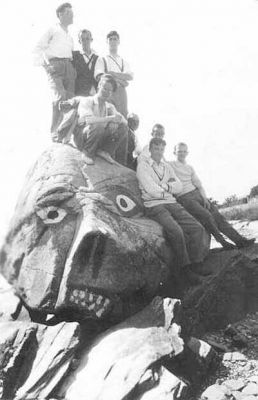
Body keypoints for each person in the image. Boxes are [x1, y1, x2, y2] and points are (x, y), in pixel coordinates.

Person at [136, 138, 210, 288]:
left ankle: (196, 264)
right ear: (150, 150)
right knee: (176, 231)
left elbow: (179, 186)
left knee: (197, 228)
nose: (159, 152)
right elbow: (150, 189)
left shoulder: (166, 166)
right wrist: (167, 189)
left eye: (161, 149)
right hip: (154, 205)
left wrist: (164, 188)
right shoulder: (143, 166)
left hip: (171, 202)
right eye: (156, 149)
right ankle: (185, 271)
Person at [171, 142, 255, 249]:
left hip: (197, 194)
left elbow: (199, 186)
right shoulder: (170, 165)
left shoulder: (189, 167)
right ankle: (223, 242)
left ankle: (240, 241)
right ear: (174, 152)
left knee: (218, 217)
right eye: (179, 151)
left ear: (187, 153)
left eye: (184, 151)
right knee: (207, 216)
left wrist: (205, 199)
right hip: (184, 197)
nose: (182, 154)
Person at [59, 74, 128, 165]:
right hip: (83, 137)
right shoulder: (87, 101)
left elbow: (124, 122)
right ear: (99, 86)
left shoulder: (109, 106)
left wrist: (115, 121)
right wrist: (110, 118)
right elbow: (89, 120)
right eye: (104, 88)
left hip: (97, 138)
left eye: (110, 91)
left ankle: (104, 151)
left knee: (122, 127)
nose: (106, 92)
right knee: (97, 125)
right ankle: (87, 153)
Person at [33, 3, 76, 141]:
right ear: (60, 15)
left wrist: (72, 70)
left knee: (70, 101)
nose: (72, 15)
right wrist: (46, 66)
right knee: (60, 97)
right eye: (68, 12)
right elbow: (38, 48)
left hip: (69, 66)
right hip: (55, 65)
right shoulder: (52, 29)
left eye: (72, 12)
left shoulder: (69, 36)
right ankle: (55, 132)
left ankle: (65, 135)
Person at [95, 31, 133, 165]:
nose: (112, 41)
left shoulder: (123, 61)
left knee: (123, 121)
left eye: (115, 39)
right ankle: (107, 153)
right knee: (110, 119)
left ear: (119, 41)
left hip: (122, 94)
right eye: (110, 39)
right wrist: (120, 80)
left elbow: (130, 77)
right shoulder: (102, 59)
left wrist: (113, 74)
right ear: (107, 42)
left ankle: (121, 161)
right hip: (109, 91)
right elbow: (100, 76)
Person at [72, 29, 99, 96]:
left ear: (91, 39)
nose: (85, 41)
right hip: (80, 93)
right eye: (82, 39)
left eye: (87, 38)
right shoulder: (74, 56)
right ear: (79, 41)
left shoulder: (98, 58)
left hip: (95, 93)